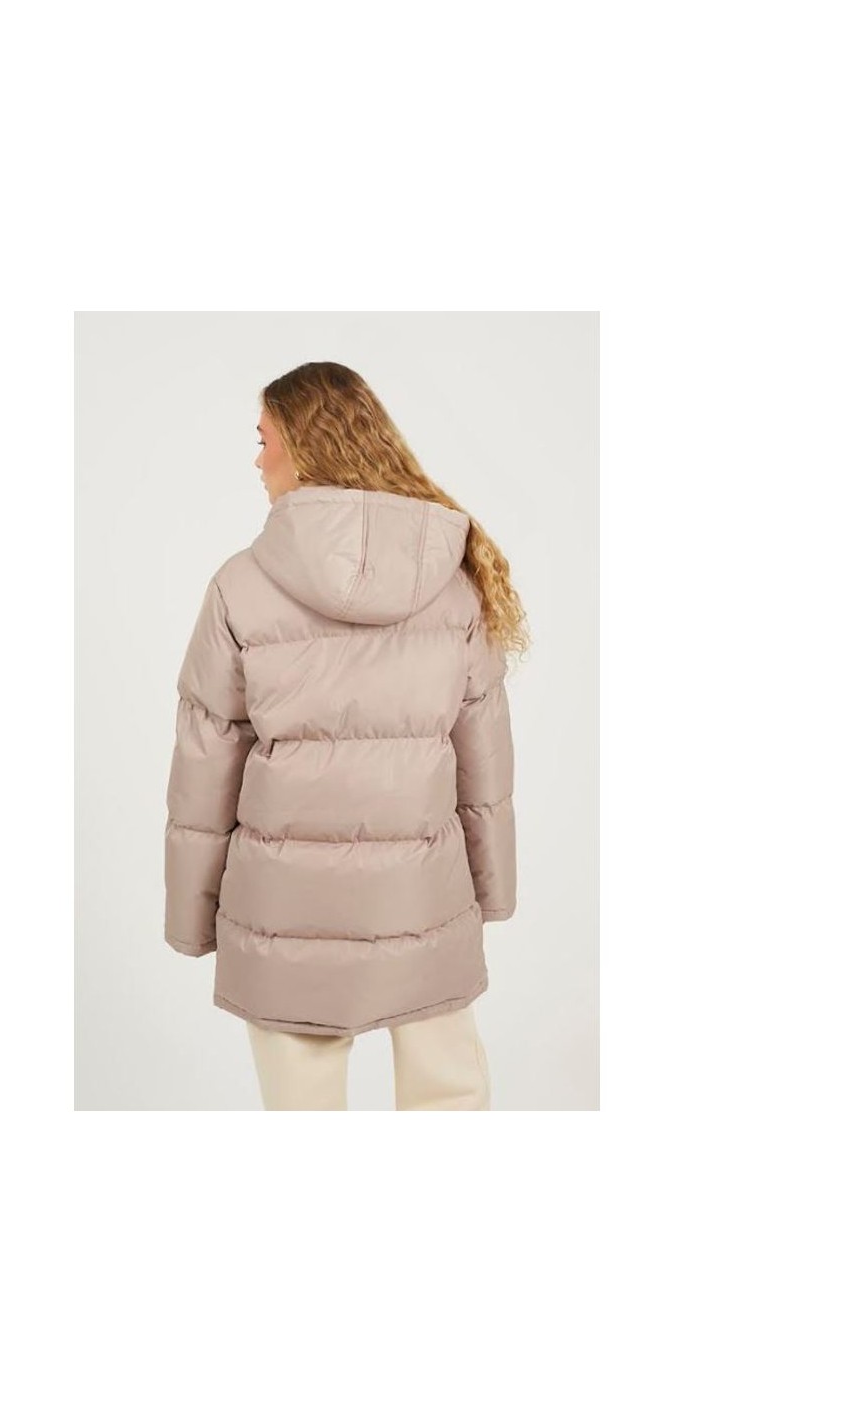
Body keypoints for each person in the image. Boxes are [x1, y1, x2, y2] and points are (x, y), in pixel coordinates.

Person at [164, 361, 530, 1110]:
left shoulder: (239, 585)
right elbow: (484, 766)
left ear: (303, 445)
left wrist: (191, 917)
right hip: (422, 901)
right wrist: (491, 894)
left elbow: (206, 770)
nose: (257, 461)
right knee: (448, 1101)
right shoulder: (453, 581)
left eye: (263, 440)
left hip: (283, 912)